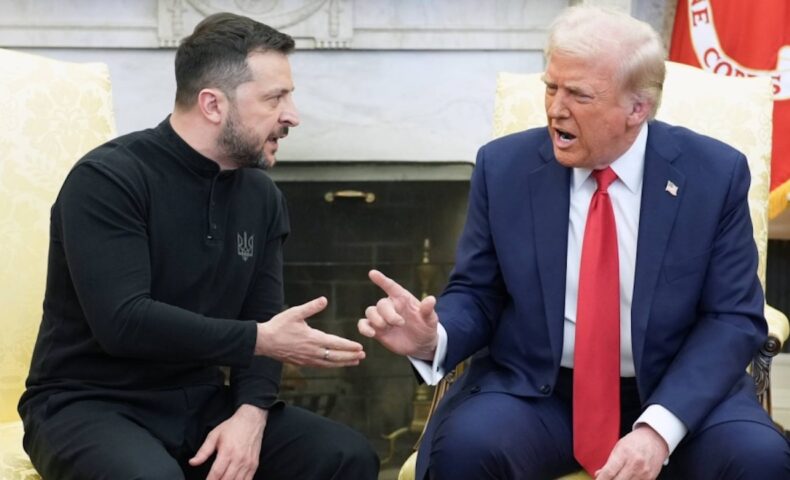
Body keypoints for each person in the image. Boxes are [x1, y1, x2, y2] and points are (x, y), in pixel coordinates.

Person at [358, 6, 790, 480]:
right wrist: (434, 338)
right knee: (465, 449)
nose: (555, 109)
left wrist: (659, 429)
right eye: (551, 87)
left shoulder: (713, 174)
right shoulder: (504, 168)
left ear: (637, 109)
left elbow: (732, 318)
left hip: (680, 392)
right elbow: (478, 293)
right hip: (540, 392)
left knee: (759, 459)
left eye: (578, 94)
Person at [18, 12, 379, 480]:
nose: (292, 115)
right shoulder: (109, 179)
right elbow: (123, 322)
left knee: (345, 456)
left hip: (200, 402)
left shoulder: (262, 196)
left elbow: (266, 318)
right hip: (87, 403)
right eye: (275, 98)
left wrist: (250, 415)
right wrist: (258, 339)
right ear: (212, 105)